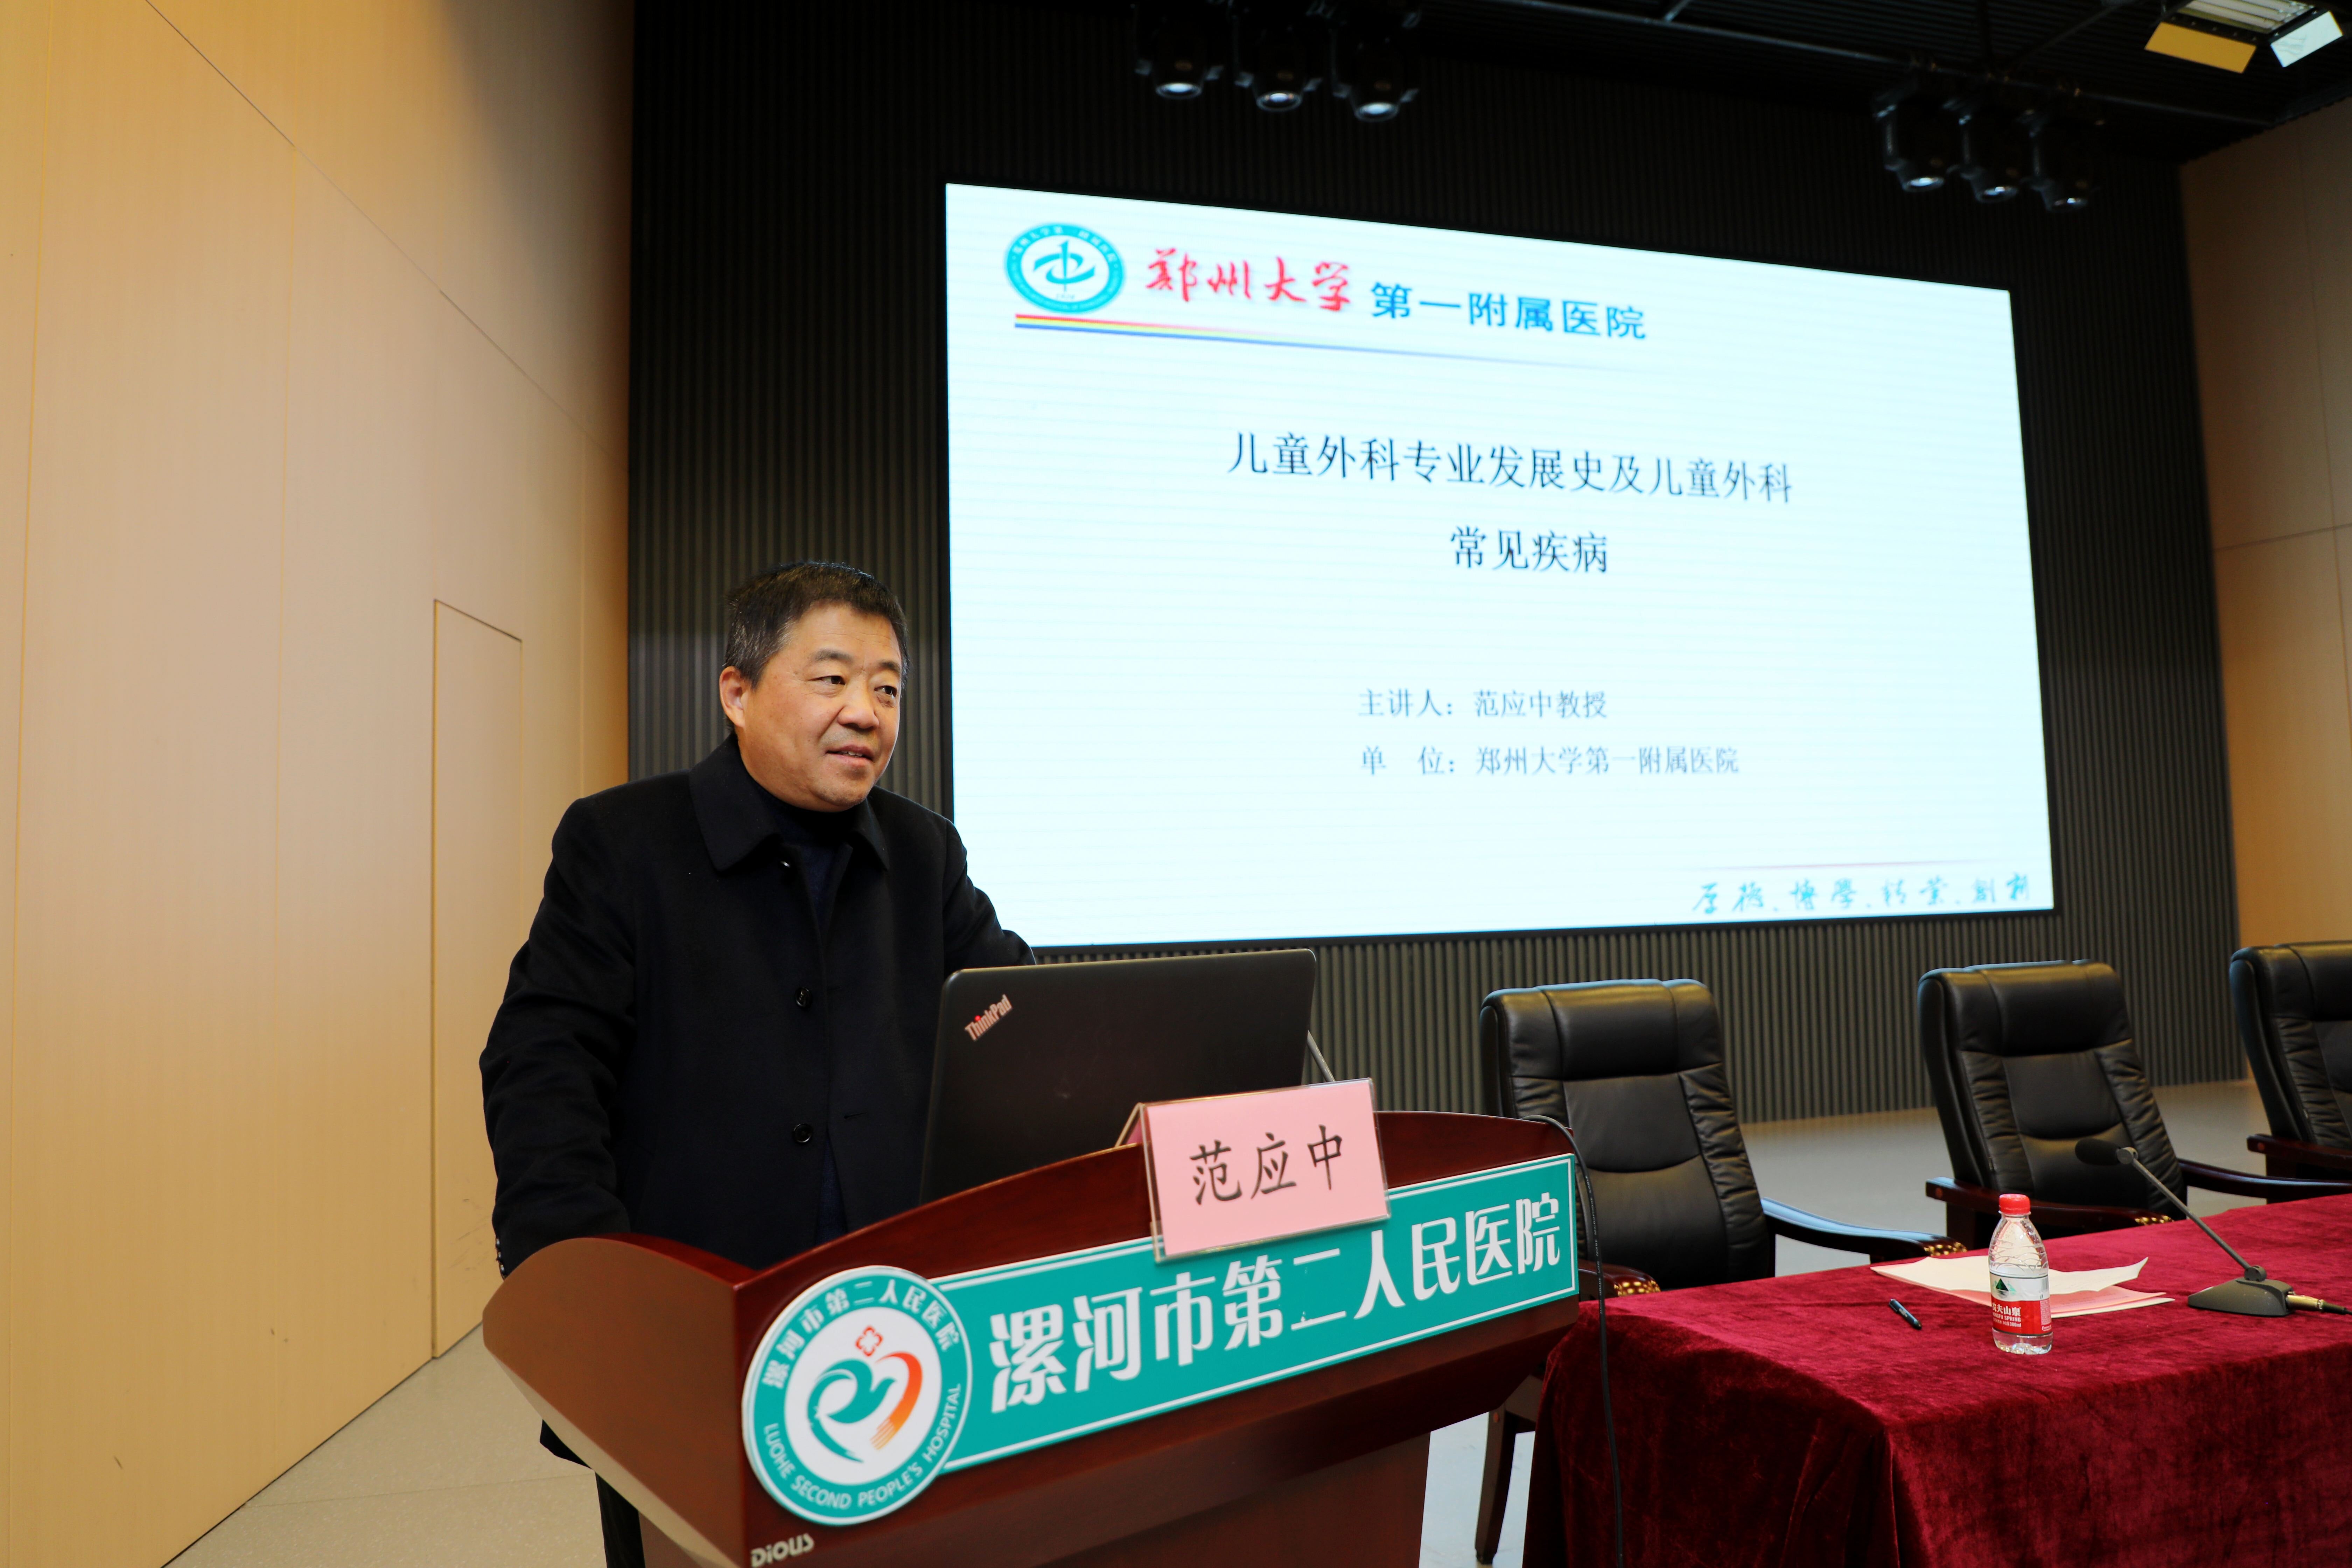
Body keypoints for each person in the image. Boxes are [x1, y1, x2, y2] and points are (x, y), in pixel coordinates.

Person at [480, 561, 1031, 1567]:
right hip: (692, 1330)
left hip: (901, 1325)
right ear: (736, 691)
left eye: (889, 688)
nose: (866, 712)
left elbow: (1013, 1017)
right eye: (832, 679)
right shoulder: (623, 843)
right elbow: (543, 1065)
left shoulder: (925, 853)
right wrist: (587, 1290)